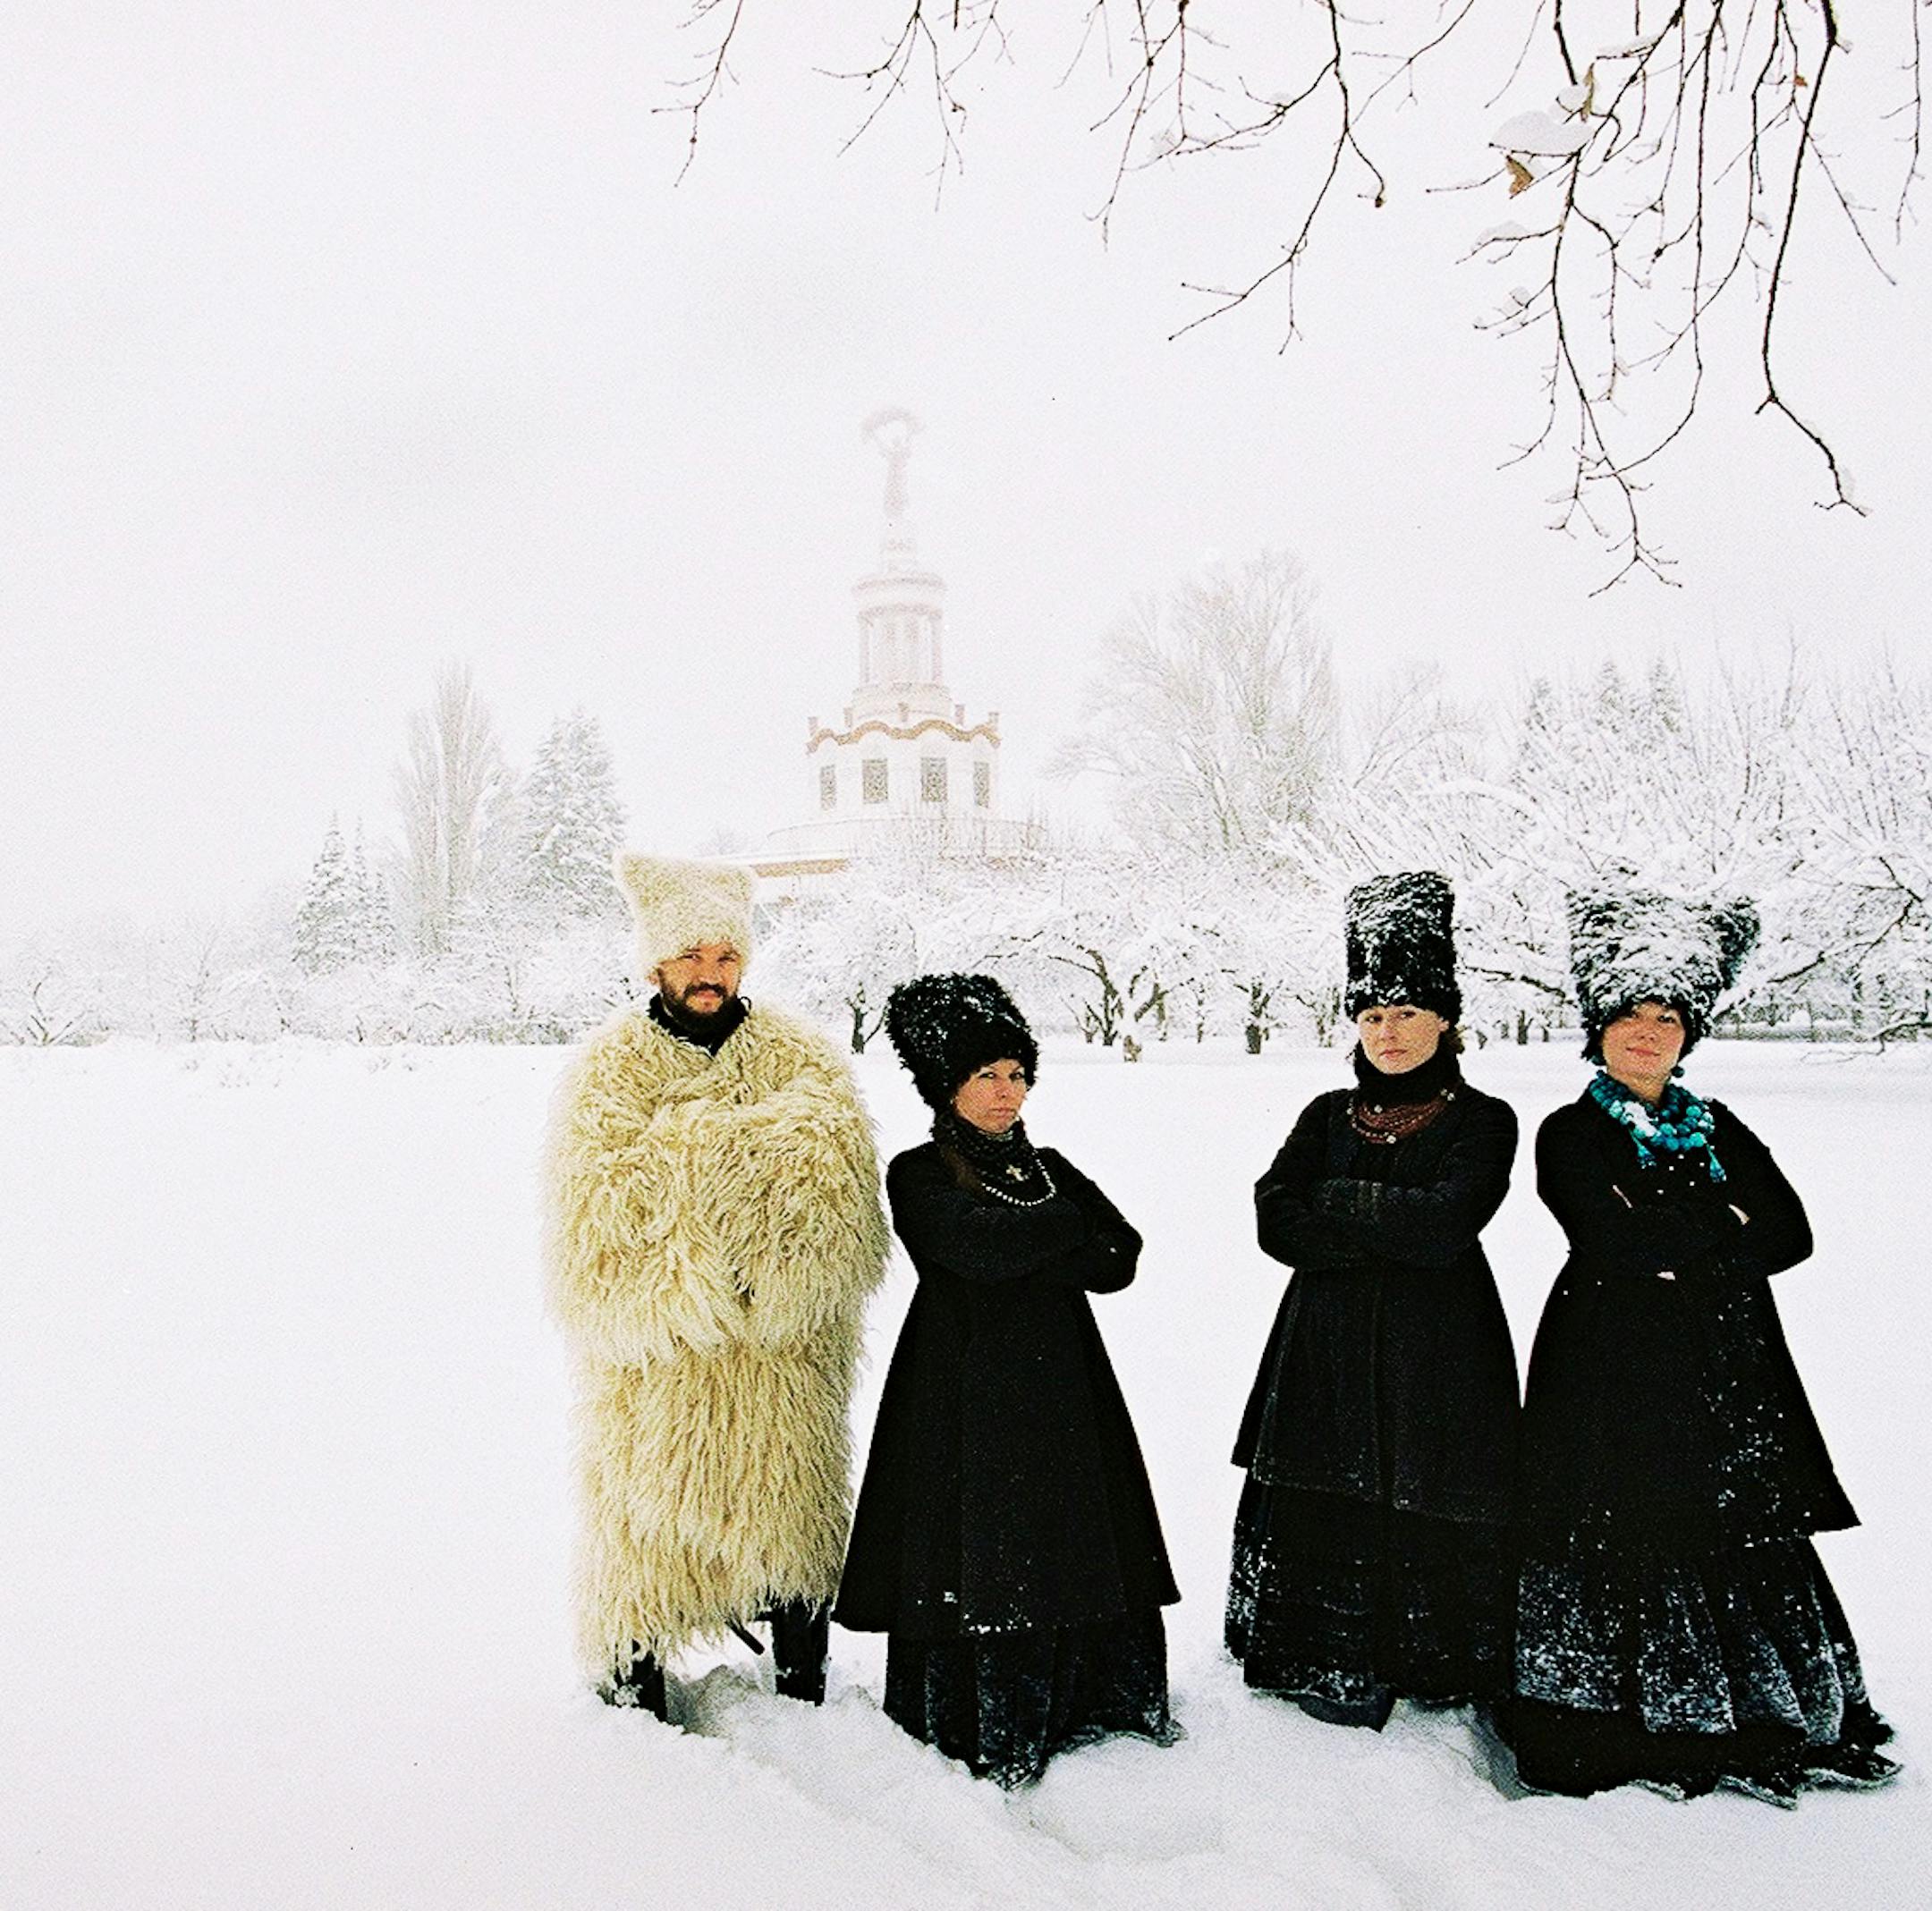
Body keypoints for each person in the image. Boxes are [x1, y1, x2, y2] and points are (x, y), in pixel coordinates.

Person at [1511, 888, 1899, 1802]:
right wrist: (1720, 1220)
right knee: (1627, 1514)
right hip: (1607, 1365)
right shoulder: (1570, 1131)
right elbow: (1614, 1242)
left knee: (1726, 1520)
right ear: (1597, 1028)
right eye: (1629, 1016)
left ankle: (1754, 1713)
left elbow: (1790, 1233)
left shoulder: (1719, 1125)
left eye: (1668, 1017)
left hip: (1727, 1365)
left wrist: (1680, 1231)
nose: (1647, 1033)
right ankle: (1631, 1727)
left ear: (1690, 1033)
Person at [545, 853, 889, 1721]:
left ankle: (805, 1690)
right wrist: (726, 1163)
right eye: (691, 953)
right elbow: (596, 1225)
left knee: (789, 1529)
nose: (710, 971)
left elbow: (837, 1189)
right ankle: (634, 1712)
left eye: (726, 954)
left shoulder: (800, 1057)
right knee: (645, 1548)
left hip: (779, 1370)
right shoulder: (606, 1075)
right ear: (655, 960)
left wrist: (706, 1165)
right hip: (660, 1385)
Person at [835, 973, 1180, 1788]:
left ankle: (1086, 1703)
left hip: (1066, 1383)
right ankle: (979, 1717)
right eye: (985, 1074)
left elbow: (1120, 1253)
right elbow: (973, 1247)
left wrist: (1029, 1240)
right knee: (978, 1545)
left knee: (1075, 1531)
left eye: (1017, 1073)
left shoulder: (1049, 1164)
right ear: (945, 1084)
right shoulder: (917, 1172)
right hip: (960, 1390)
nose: (1005, 1091)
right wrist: (1056, 1233)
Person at [1227, 872, 1521, 1730]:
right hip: (1323, 1342)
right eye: (1371, 1016)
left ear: (1444, 1021)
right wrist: (1386, 1220)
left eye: (1405, 1014)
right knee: (1332, 1484)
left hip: (1442, 1346)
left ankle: (1427, 1658)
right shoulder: (1325, 1114)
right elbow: (1273, 1216)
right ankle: (1322, 1654)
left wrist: (1343, 1200)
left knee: (1426, 1485)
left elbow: (1446, 1226)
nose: (1388, 1034)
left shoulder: (1485, 1119)